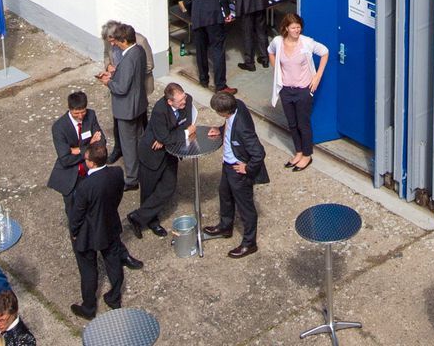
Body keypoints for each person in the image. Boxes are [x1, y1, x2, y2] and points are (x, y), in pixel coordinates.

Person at [67, 143, 141, 319]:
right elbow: (117, 197)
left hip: (88, 232)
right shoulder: (116, 173)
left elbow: (77, 215)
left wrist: (74, 232)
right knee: (113, 261)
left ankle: (89, 307)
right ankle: (114, 297)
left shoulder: (85, 186)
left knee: (88, 269)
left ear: (91, 162)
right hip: (109, 224)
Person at [200, 90, 268, 258]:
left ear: (224, 111)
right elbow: (229, 126)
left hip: (238, 170)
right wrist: (221, 130)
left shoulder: (243, 128)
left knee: (246, 208)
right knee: (224, 194)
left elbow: (259, 152)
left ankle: (249, 243)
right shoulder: (237, 105)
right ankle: (225, 226)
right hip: (228, 165)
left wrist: (248, 168)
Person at [126, 83, 195, 239]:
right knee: (148, 190)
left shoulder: (187, 100)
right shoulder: (159, 110)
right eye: (180, 101)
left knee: (168, 187)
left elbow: (186, 122)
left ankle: (137, 217)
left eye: (184, 97)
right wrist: (180, 134)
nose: (184, 102)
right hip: (151, 154)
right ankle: (150, 220)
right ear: (170, 102)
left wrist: (167, 138)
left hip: (170, 154)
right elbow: (169, 135)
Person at [269, 13, 330, 171]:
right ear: (286, 28)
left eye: (299, 27)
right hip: (286, 89)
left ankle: (307, 155)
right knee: (292, 123)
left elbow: (325, 52)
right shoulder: (278, 42)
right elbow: (270, 52)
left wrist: (317, 76)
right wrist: (277, 70)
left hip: (303, 90)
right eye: (294, 27)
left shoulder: (306, 42)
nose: (297, 30)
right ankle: (299, 151)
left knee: (303, 123)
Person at [100, 24, 148, 190]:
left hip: (127, 109)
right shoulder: (139, 51)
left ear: (125, 41)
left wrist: (108, 83)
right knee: (139, 140)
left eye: (118, 41)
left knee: (128, 146)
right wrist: (115, 74)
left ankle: (132, 179)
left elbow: (121, 88)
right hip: (138, 104)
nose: (116, 44)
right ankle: (143, 170)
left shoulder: (128, 58)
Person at [181, 0, 234, 93]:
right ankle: (220, 84)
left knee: (201, 49)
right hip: (213, 15)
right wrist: (227, 11)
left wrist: (193, 13)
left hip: (198, 17)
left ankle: (203, 79)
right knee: (217, 49)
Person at [47, 90, 106, 217]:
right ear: (69, 109)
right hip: (71, 173)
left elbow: (101, 143)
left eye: (83, 112)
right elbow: (65, 159)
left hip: (89, 168)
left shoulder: (91, 115)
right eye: (76, 113)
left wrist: (76, 150)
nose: (80, 116)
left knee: (94, 205)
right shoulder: (59, 127)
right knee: (73, 209)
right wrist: (88, 146)